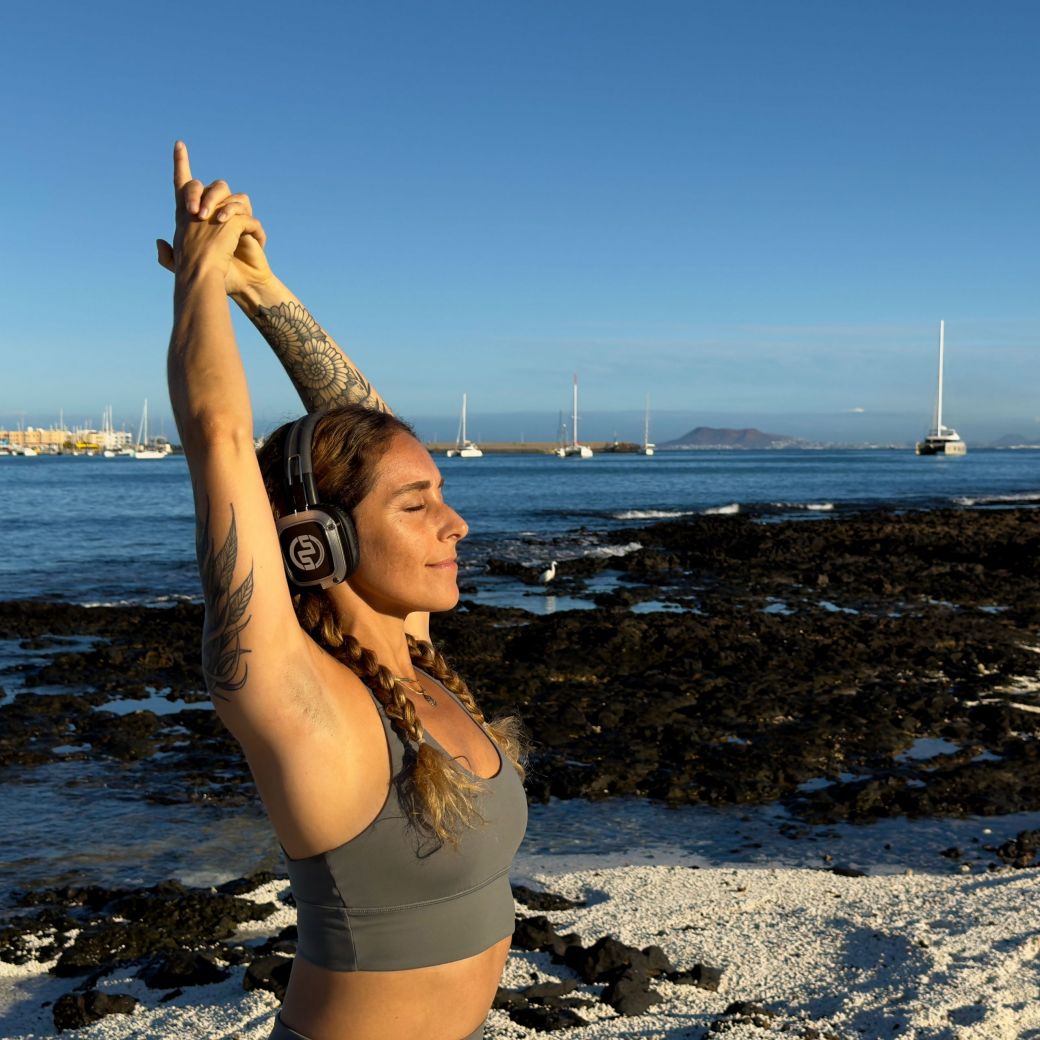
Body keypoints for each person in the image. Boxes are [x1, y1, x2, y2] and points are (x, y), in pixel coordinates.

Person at [163, 141, 527, 1040]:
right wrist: (198, 282)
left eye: (442, 496)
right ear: (319, 543)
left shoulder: (407, 655)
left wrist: (263, 291)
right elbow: (219, 435)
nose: (457, 525)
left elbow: (369, 435)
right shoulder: (296, 697)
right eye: (420, 505)